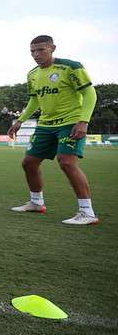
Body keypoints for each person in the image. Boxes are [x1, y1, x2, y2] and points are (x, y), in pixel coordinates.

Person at [7, 35, 99, 225]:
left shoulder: (70, 67)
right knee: (29, 163)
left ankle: (87, 213)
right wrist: (20, 120)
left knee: (66, 162)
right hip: (46, 125)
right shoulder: (32, 74)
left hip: (70, 122)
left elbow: (89, 93)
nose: (36, 54)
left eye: (40, 50)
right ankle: (36, 203)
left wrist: (83, 121)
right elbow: (35, 99)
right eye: (32, 51)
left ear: (52, 48)